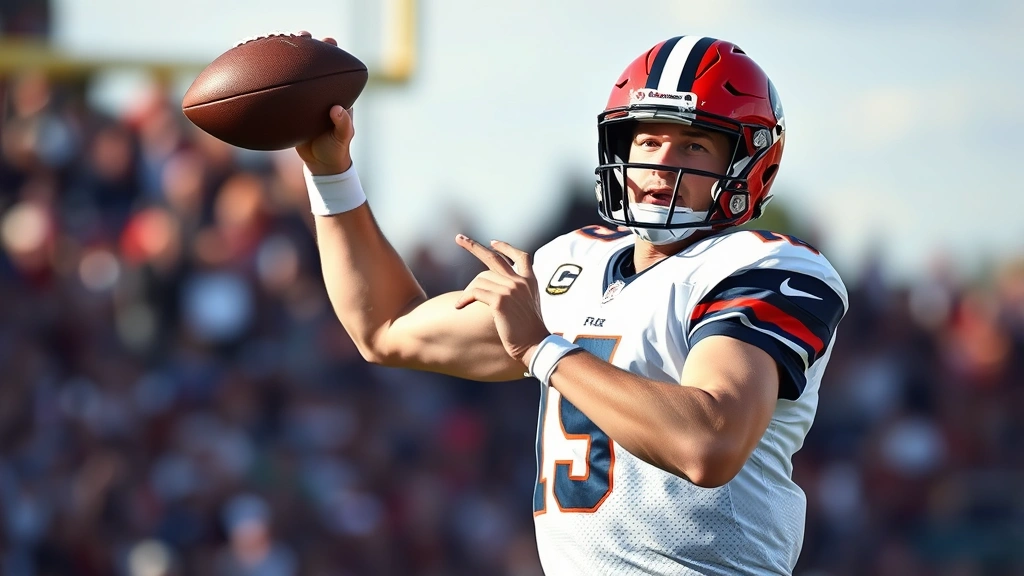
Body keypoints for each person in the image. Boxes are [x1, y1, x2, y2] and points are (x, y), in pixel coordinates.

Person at [296, 32, 848, 576]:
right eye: (647, 141)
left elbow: (708, 443)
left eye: (693, 145)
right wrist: (331, 174)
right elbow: (385, 329)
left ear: (750, 163)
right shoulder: (573, 263)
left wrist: (541, 347)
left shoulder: (767, 267)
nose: (661, 164)